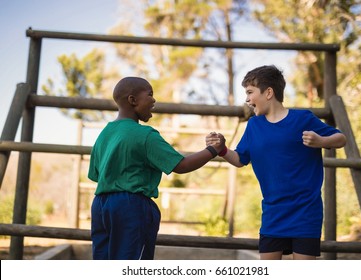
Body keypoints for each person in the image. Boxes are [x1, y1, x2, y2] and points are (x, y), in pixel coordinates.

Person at [206, 65, 346, 260]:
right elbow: (239, 159)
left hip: (305, 212)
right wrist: (221, 149)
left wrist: (321, 141)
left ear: (269, 92)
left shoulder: (303, 118)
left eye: (250, 92)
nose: (246, 99)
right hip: (273, 213)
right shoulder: (254, 125)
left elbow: (340, 138)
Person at [88, 76, 225, 260]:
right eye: (150, 95)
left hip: (100, 206)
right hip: (131, 207)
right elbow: (181, 165)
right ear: (132, 100)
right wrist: (213, 150)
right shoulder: (145, 135)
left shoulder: (104, 134)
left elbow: (97, 175)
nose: (154, 100)